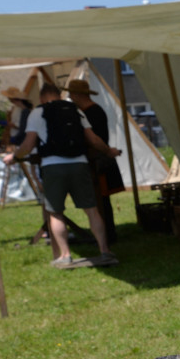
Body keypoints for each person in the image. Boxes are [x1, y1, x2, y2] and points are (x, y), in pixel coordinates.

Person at [2, 83, 122, 268]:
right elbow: (93, 139)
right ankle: (105, 250)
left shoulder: (37, 113)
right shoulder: (76, 111)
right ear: (59, 95)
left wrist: (14, 157)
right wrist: (109, 151)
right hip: (80, 164)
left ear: (42, 98)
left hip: (52, 166)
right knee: (91, 210)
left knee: (55, 213)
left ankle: (65, 255)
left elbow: (28, 144)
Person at [65, 79, 125, 244]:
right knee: (98, 201)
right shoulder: (87, 111)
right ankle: (105, 234)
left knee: (101, 200)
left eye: (71, 94)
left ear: (77, 95)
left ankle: (108, 235)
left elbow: (95, 140)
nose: (70, 97)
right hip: (94, 161)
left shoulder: (93, 112)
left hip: (98, 161)